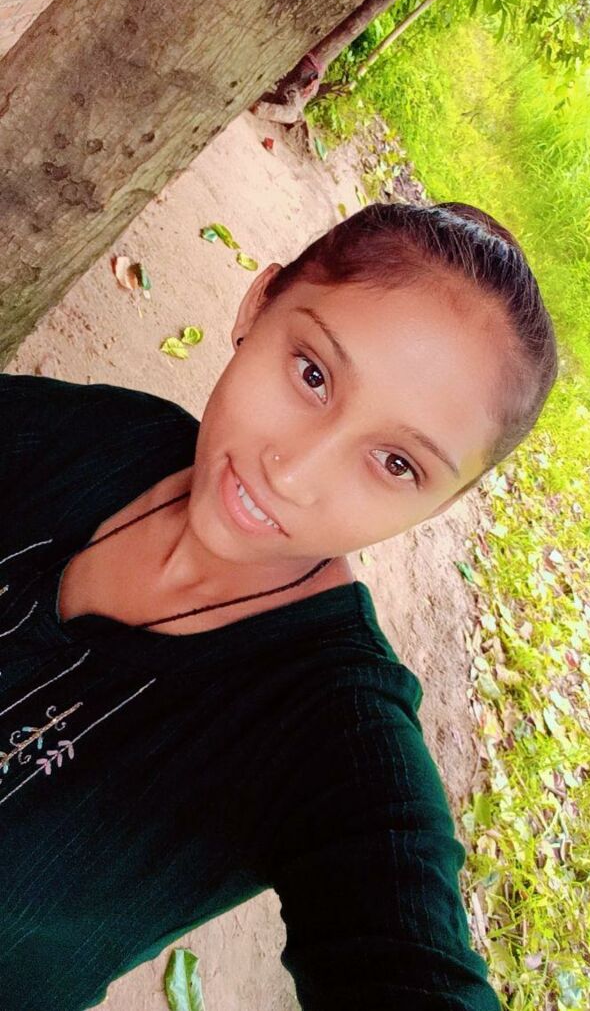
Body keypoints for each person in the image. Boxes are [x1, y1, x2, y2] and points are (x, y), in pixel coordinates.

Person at [0, 201, 557, 1011]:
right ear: (256, 306)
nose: (292, 474)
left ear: (438, 504)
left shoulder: (332, 741)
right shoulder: (97, 434)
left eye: (396, 463)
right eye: (314, 375)